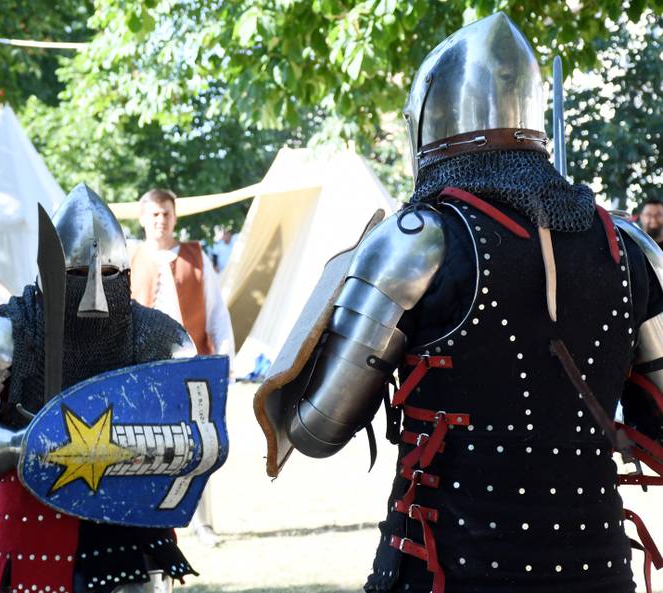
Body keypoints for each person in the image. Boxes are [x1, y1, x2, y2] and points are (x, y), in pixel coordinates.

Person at [257, 13, 663, 593]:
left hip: (451, 569)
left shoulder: (416, 243)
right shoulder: (630, 248)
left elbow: (317, 432)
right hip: (595, 571)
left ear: (429, 122)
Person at [0, 184, 199, 593]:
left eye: (107, 274)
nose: (94, 296)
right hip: (31, 530)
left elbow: (191, 433)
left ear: (125, 273)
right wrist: (22, 443)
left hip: (129, 533)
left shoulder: (162, 340)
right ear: (50, 273)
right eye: (75, 274)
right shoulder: (2, 333)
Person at [130, 188, 235, 545]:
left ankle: (202, 523)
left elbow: (217, 313)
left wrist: (224, 360)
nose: (160, 220)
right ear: (143, 218)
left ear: (175, 217)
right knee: (149, 448)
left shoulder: (196, 256)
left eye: (166, 214)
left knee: (200, 447)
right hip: (147, 369)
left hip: (195, 367)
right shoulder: (130, 258)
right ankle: (154, 524)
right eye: (154, 214)